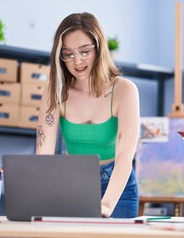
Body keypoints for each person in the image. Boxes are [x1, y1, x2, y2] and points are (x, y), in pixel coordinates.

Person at [36, 12, 140, 218]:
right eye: (68, 53)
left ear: (99, 48)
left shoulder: (124, 90)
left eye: (85, 51)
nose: (77, 61)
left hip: (118, 188)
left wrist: (107, 205)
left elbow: (124, 157)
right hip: (73, 183)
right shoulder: (55, 92)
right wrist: (40, 195)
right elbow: (44, 152)